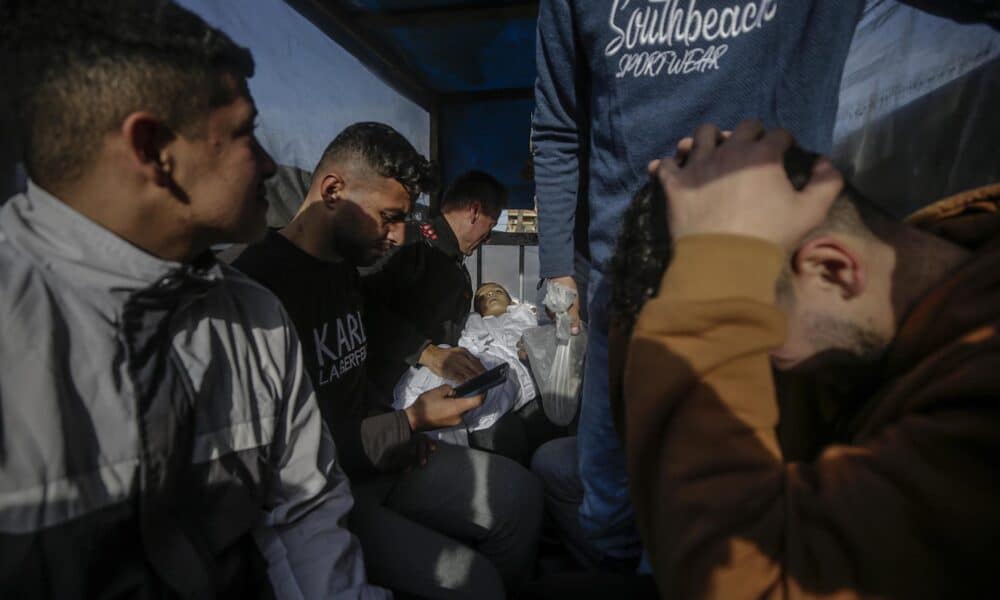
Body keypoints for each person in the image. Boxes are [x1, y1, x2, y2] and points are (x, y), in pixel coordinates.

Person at [531, 0, 1000, 571]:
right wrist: (564, 272)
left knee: (734, 499)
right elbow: (558, 127)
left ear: (834, 268)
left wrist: (724, 274)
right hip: (626, 278)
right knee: (611, 510)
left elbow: (745, 563)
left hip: (767, 271)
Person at [0, 1, 386, 597]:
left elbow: (305, 519)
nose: (266, 164)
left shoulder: (257, 317)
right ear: (153, 148)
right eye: (244, 133)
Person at [622, 119, 1000, 597]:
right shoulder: (913, 329)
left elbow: (743, 580)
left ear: (833, 270)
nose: (763, 369)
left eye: (758, 339)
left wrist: (716, 283)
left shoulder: (983, 394)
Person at [231, 124, 543, 599]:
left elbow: (358, 377)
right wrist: (412, 421)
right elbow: (289, 464)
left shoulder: (343, 270)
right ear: (333, 191)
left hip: (382, 454)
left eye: (405, 219)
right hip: (326, 495)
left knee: (521, 498)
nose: (399, 236)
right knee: (477, 582)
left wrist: (405, 422)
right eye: (388, 218)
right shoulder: (256, 291)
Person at [362, 170, 509, 397]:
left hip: (435, 389)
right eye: (490, 226)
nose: (488, 238)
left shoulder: (455, 262)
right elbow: (361, 307)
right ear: (475, 211)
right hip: (389, 398)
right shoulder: (408, 244)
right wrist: (426, 353)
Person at [393, 282, 540, 446]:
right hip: (469, 356)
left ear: (510, 300)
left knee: (469, 381)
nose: (490, 295)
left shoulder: (527, 316)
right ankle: (401, 418)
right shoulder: (470, 321)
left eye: (497, 291)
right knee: (441, 354)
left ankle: (412, 431)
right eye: (482, 296)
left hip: (506, 367)